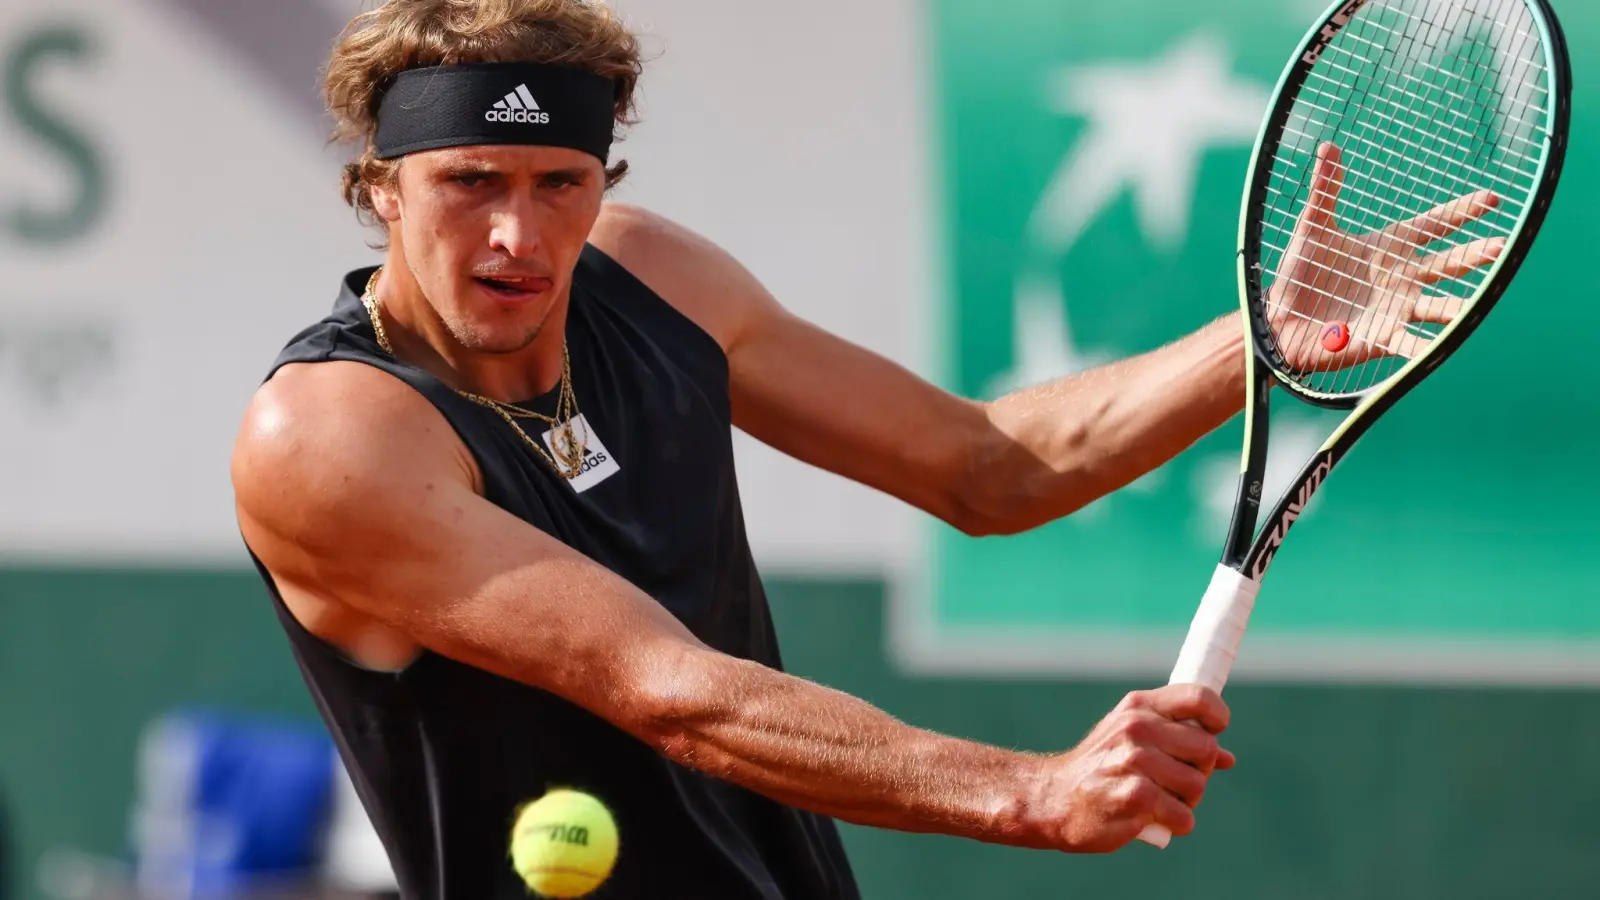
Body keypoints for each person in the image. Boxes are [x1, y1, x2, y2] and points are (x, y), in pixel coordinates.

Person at [230, 1, 1503, 898]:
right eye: (468, 181)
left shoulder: (649, 276)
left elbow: (983, 466)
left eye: (562, 182)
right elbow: (674, 694)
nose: (519, 234)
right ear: (380, 188)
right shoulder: (331, 434)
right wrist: (1033, 792)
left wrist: (1258, 336)